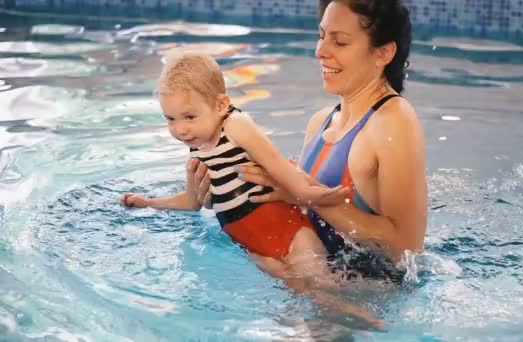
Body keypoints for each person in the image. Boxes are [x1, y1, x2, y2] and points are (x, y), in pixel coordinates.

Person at [120, 50, 383, 327]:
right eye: (171, 119)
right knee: (300, 294)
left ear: (221, 104)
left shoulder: (236, 126)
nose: (181, 129)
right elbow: (193, 202)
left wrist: (314, 196)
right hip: (254, 246)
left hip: (289, 229)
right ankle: (340, 320)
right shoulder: (197, 147)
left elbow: (281, 168)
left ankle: (367, 318)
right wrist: (149, 202)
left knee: (322, 284)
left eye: (189, 116)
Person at [229, 0, 428, 284]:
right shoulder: (321, 122)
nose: (320, 51)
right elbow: (309, 221)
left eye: (341, 42)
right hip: (318, 283)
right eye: (322, 36)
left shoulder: (393, 120)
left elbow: (405, 250)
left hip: (370, 301)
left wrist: (304, 193)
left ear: (383, 52)